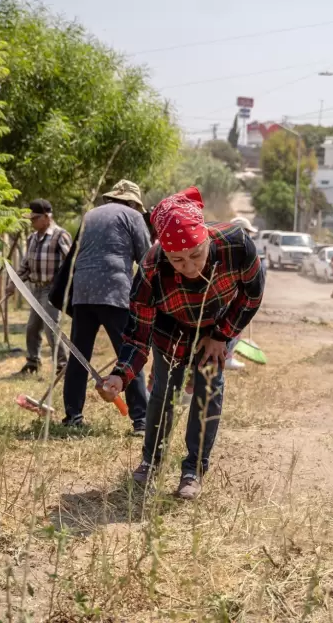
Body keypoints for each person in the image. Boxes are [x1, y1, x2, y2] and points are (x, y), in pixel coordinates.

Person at [97, 187, 264, 501]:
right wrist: (121, 375)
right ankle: (152, 461)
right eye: (178, 260)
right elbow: (137, 332)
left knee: (208, 391)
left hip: (216, 328)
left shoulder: (237, 244)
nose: (189, 266)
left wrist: (222, 335)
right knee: (164, 392)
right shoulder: (150, 270)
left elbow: (251, 294)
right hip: (169, 331)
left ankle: (193, 470)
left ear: (206, 239)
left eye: (196, 255)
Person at [56, 180, 151, 431]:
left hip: (82, 291)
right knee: (129, 354)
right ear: (132, 202)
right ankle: (141, 420)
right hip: (115, 291)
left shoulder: (90, 214)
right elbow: (147, 258)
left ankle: (73, 416)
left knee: (78, 356)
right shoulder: (133, 216)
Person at [8, 199, 70, 374]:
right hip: (36, 289)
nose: (32, 222)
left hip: (52, 289)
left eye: (35, 218)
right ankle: (33, 363)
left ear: (46, 217)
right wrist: (13, 284)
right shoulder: (32, 238)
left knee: (51, 327)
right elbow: (26, 265)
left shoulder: (60, 236)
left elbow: (71, 264)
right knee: (32, 327)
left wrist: (65, 286)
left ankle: (63, 366)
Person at [224, 216, 263, 371]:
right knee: (232, 327)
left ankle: (228, 356)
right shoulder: (237, 249)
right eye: (247, 232)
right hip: (231, 297)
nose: (249, 236)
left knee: (235, 328)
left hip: (236, 295)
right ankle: (227, 357)